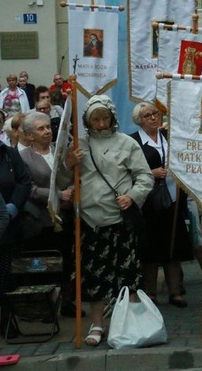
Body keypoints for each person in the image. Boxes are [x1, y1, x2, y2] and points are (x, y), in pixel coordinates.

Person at [58, 95, 154, 346]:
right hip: (90, 220)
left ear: (112, 118)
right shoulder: (79, 145)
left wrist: (132, 196)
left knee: (128, 276)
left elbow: (145, 177)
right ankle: (97, 324)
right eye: (95, 119)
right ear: (87, 121)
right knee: (94, 278)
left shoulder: (126, 144)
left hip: (121, 220)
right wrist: (68, 164)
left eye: (104, 118)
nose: (100, 124)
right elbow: (60, 184)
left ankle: (130, 324)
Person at [129, 102, 192, 307]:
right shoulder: (133, 142)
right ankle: (151, 292)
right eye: (148, 116)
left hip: (173, 200)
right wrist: (151, 173)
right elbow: (127, 171)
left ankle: (175, 291)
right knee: (150, 250)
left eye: (155, 114)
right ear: (140, 120)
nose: (153, 118)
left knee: (173, 247)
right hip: (147, 204)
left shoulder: (168, 139)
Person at [18, 112, 80, 317]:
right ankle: (44, 306)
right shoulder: (23, 157)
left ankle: (67, 302)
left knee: (67, 261)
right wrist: (58, 195)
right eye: (40, 129)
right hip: (41, 221)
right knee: (44, 265)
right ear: (29, 135)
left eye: (48, 127)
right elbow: (29, 188)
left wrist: (70, 190)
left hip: (65, 216)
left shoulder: (60, 151)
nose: (47, 131)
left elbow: (72, 175)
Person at [0, 109, 30, 338]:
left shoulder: (9, 154)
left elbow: (24, 182)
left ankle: (6, 320)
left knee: (5, 278)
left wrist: (11, 208)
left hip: (7, 225)